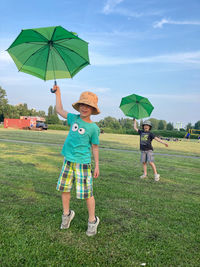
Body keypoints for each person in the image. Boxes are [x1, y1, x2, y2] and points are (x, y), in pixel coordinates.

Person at [54, 85, 100, 236]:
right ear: (79, 106)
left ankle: (92, 221)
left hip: (83, 164)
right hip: (68, 161)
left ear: (93, 109)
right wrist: (58, 93)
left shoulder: (94, 128)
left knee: (87, 194)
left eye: (88, 105)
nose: (84, 108)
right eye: (82, 104)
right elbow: (59, 110)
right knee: (65, 189)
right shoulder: (73, 118)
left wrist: (97, 166)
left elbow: (95, 147)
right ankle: (66, 215)